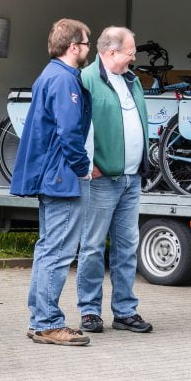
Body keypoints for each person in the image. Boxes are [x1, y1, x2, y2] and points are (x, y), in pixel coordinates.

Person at [11, 18, 93, 346]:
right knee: (58, 251)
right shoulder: (64, 80)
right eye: (87, 44)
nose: (89, 49)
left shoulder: (51, 75)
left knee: (47, 248)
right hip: (62, 177)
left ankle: (40, 318)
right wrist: (83, 167)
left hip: (51, 176)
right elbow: (69, 132)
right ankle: (46, 323)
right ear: (73, 47)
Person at [76, 26, 154, 335]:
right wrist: (88, 163)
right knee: (93, 246)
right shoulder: (86, 80)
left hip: (131, 179)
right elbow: (76, 126)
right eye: (130, 52)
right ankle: (90, 311)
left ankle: (125, 311)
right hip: (101, 180)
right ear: (111, 53)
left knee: (127, 246)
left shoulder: (131, 81)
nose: (133, 58)